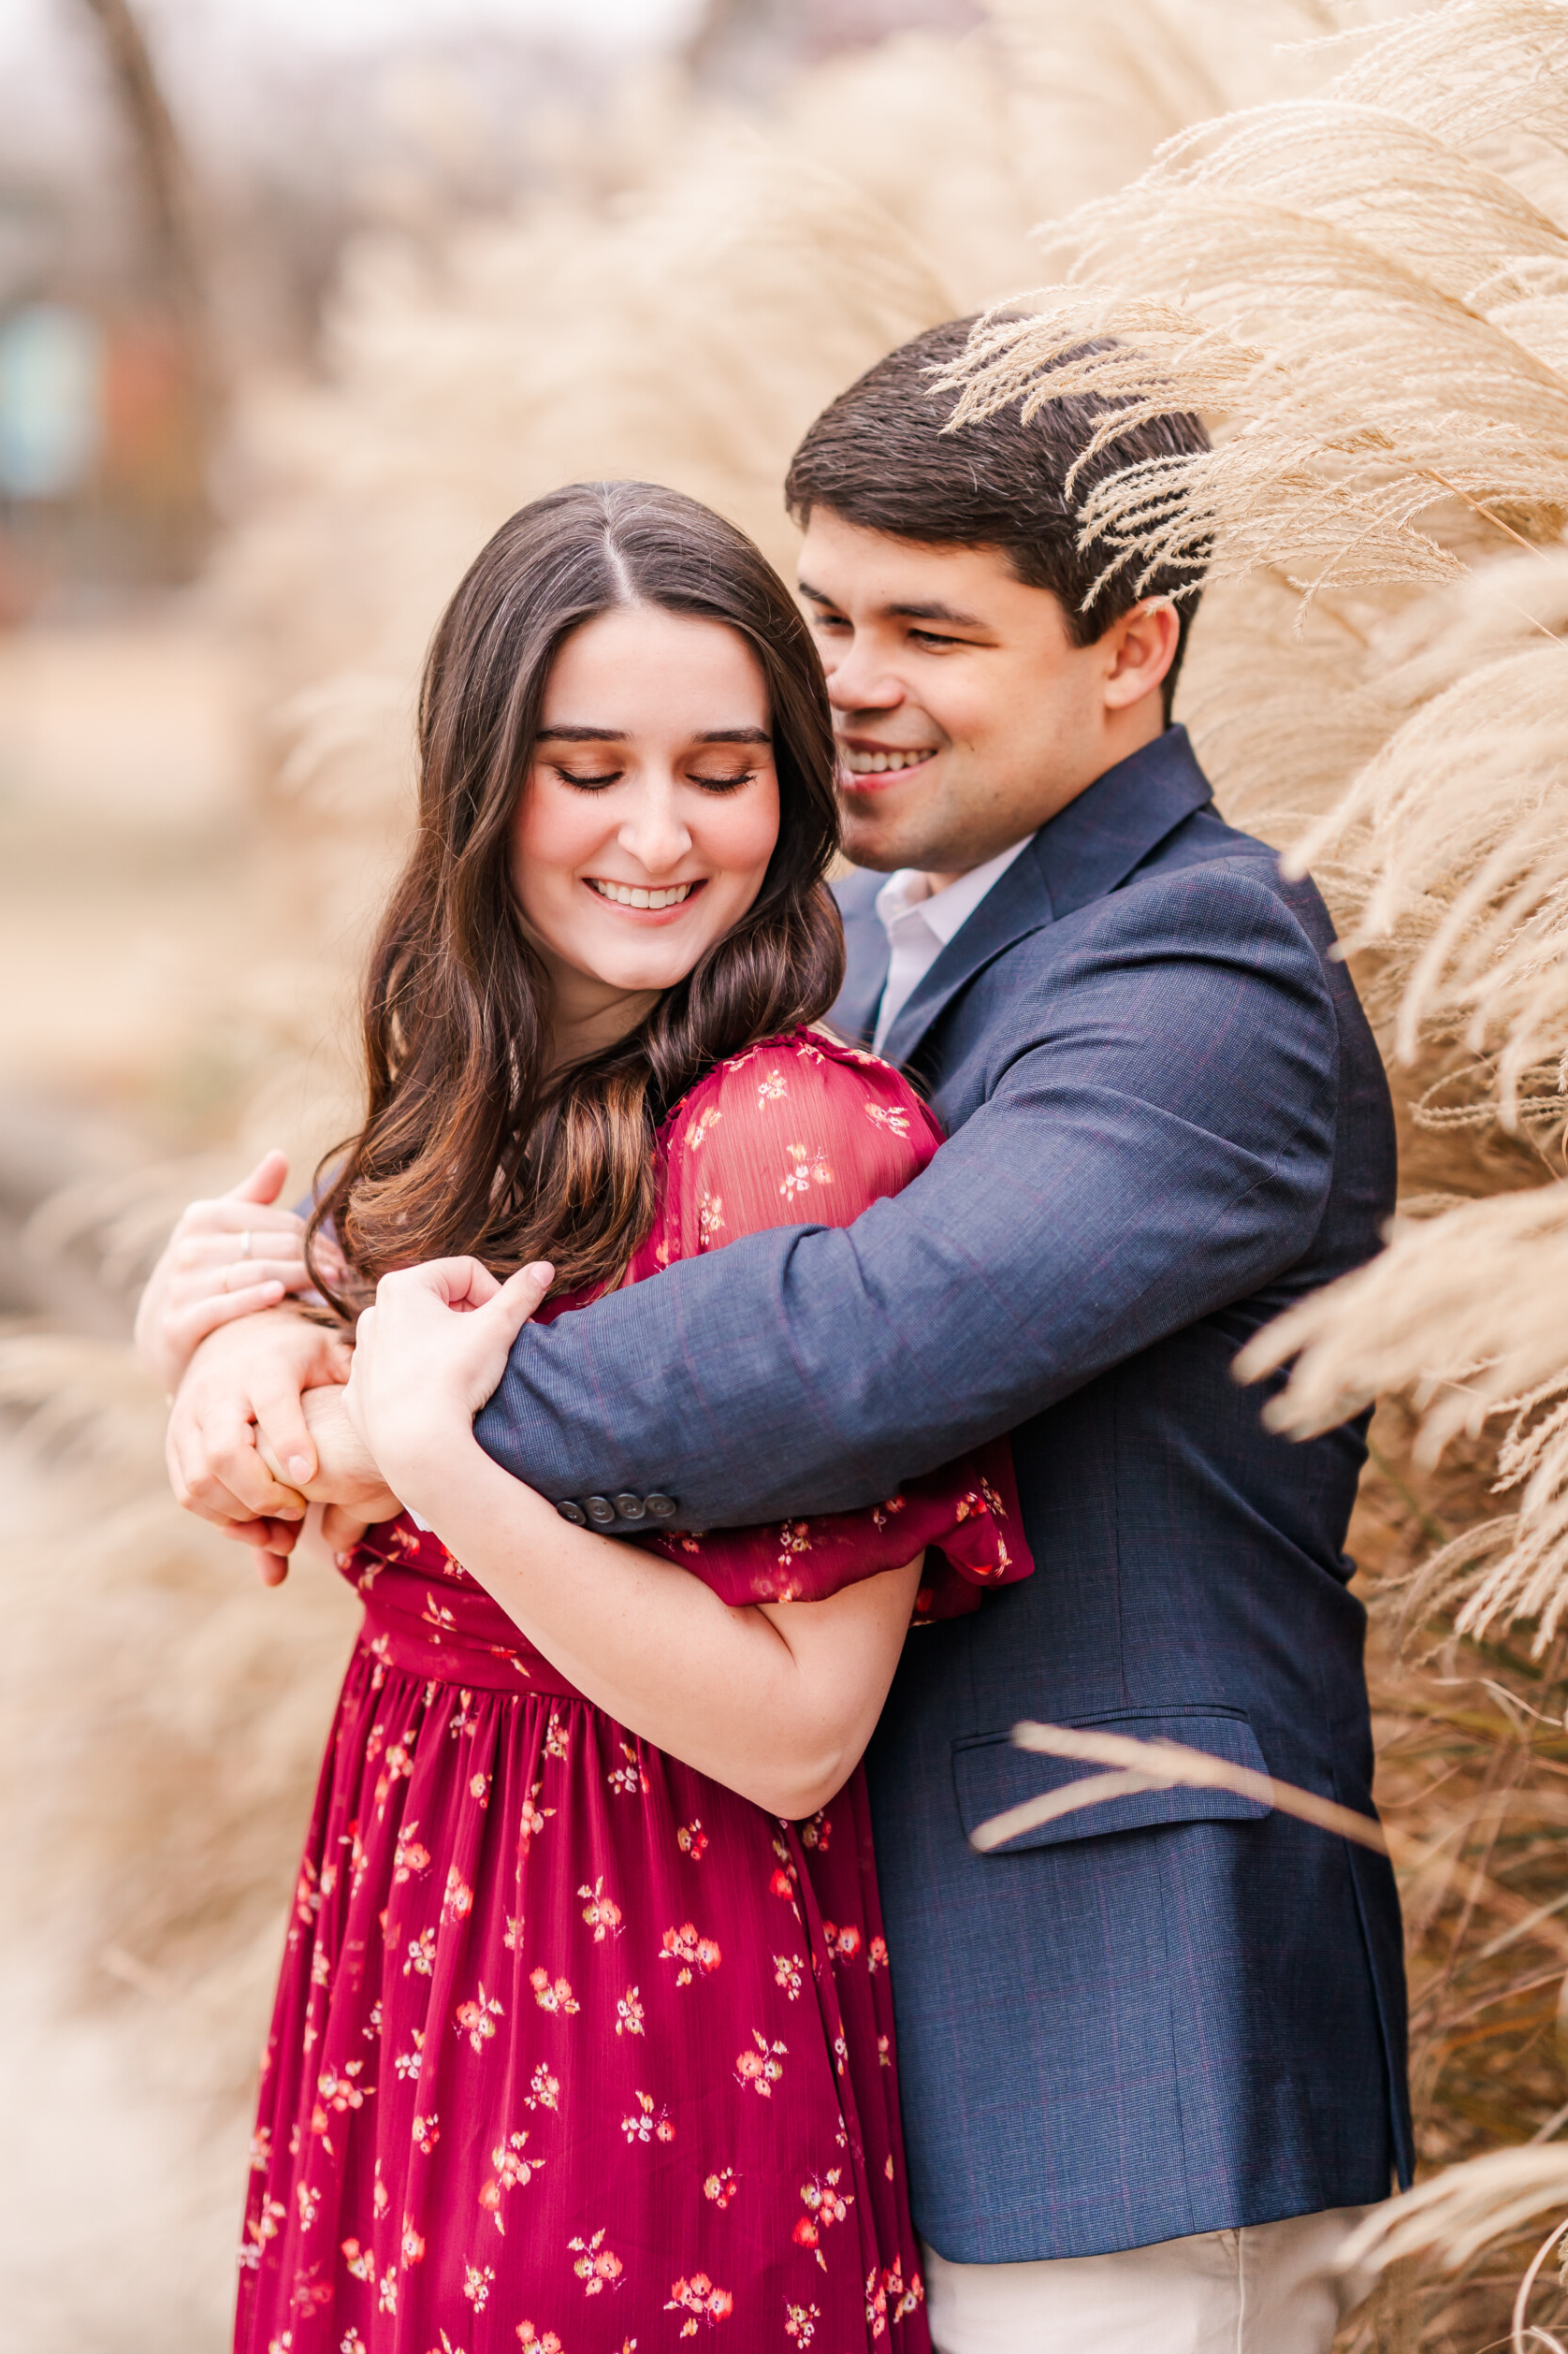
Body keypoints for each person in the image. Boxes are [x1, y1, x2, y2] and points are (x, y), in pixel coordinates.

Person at [154, 321, 1409, 2354]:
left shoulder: (1200, 963)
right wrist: (249, 1310)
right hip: (815, 1998)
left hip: (1102, 2017)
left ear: (1128, 649)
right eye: (823, 608)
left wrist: (382, 1429)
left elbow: (850, 1342)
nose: (850, 681)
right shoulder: (848, 925)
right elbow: (562, 1162)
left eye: (930, 625)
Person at [142, 479, 1038, 2350]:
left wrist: (448, 1467)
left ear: (790, 787)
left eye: (719, 768)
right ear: (483, 785)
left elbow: (800, 1730)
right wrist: (221, 1353)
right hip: (412, 1930)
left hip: (646, 1990)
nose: (657, 833)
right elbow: (300, 1409)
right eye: (587, 766)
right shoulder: (467, 1117)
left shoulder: (789, 1134)